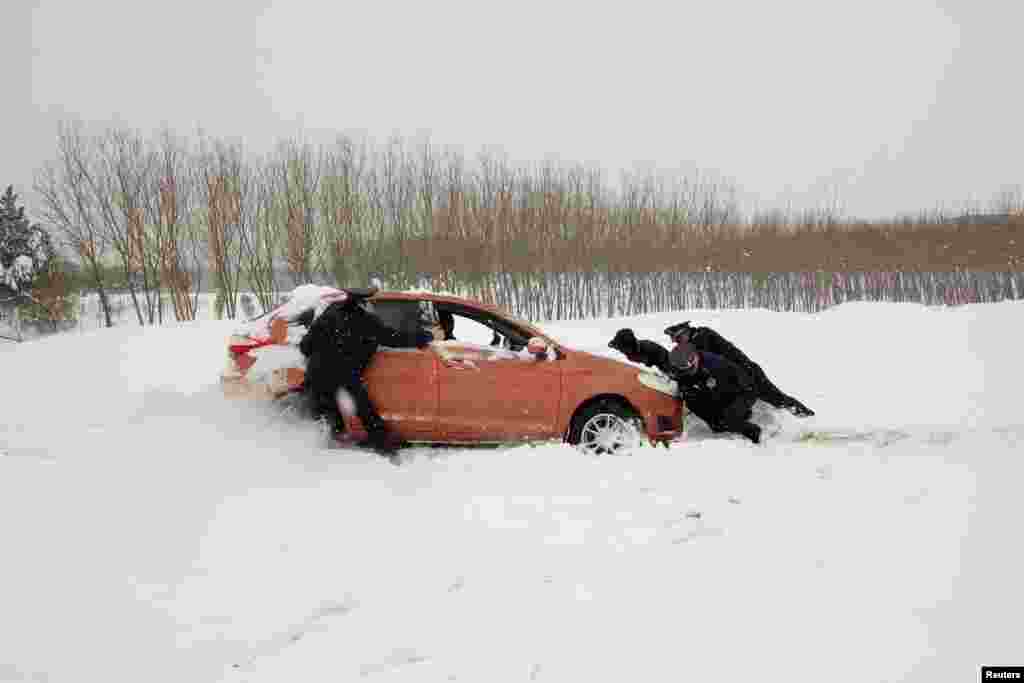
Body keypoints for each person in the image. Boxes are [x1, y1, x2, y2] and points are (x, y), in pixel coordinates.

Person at [299, 288, 433, 458]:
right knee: (365, 411)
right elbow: (393, 338)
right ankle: (383, 446)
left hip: (318, 374)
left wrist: (321, 352)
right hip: (345, 373)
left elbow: (305, 346)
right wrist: (422, 338)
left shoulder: (330, 314)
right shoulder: (366, 321)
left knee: (325, 416)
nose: (371, 306)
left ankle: (319, 451)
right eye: (369, 303)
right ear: (362, 303)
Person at [664, 321, 815, 417]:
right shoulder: (694, 344)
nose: (676, 343)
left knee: (776, 398)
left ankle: (806, 417)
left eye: (677, 339)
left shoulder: (701, 337)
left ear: (685, 332)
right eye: (674, 341)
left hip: (749, 372)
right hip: (736, 377)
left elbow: (697, 364)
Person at [668, 341, 763, 444]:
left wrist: (721, 414)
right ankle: (731, 419)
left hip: (743, 390)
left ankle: (752, 431)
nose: (688, 372)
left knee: (725, 419)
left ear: (695, 358)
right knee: (693, 402)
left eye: (690, 368)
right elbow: (684, 381)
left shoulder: (714, 365)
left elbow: (723, 393)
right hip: (718, 390)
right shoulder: (685, 367)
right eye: (684, 370)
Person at [608, 328, 673, 375]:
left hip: (664, 360)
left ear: (631, 346)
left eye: (624, 349)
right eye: (621, 348)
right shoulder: (621, 345)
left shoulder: (648, 349)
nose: (623, 351)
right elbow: (613, 344)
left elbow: (660, 365)